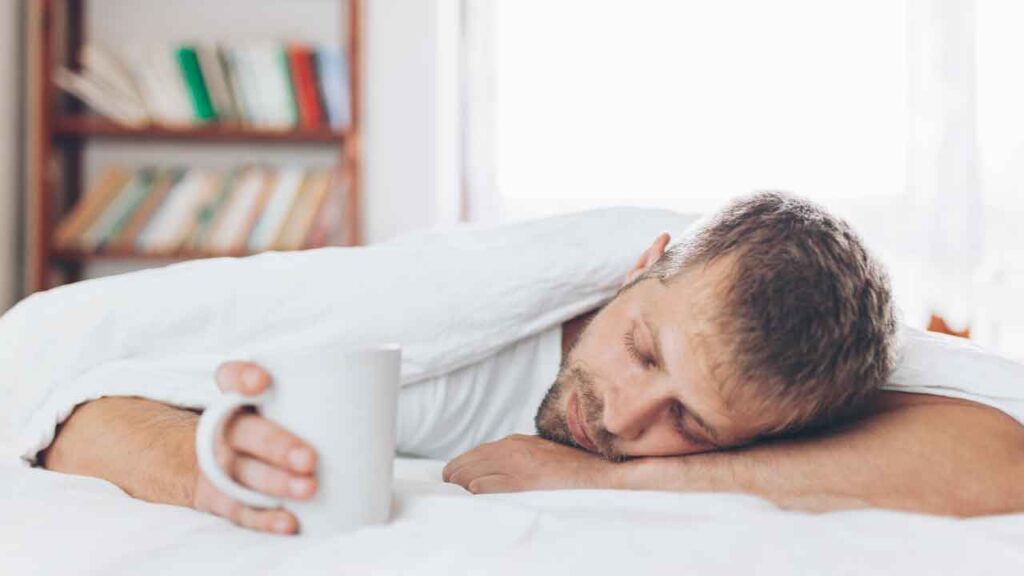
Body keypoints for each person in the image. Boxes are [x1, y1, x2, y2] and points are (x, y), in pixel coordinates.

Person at [34, 193, 1024, 535]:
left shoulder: (802, 391)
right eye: (642, 350)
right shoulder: (471, 325)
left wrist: (637, 480)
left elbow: (999, 458)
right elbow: (50, 376)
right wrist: (208, 460)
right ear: (644, 268)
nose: (624, 419)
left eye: (689, 422)